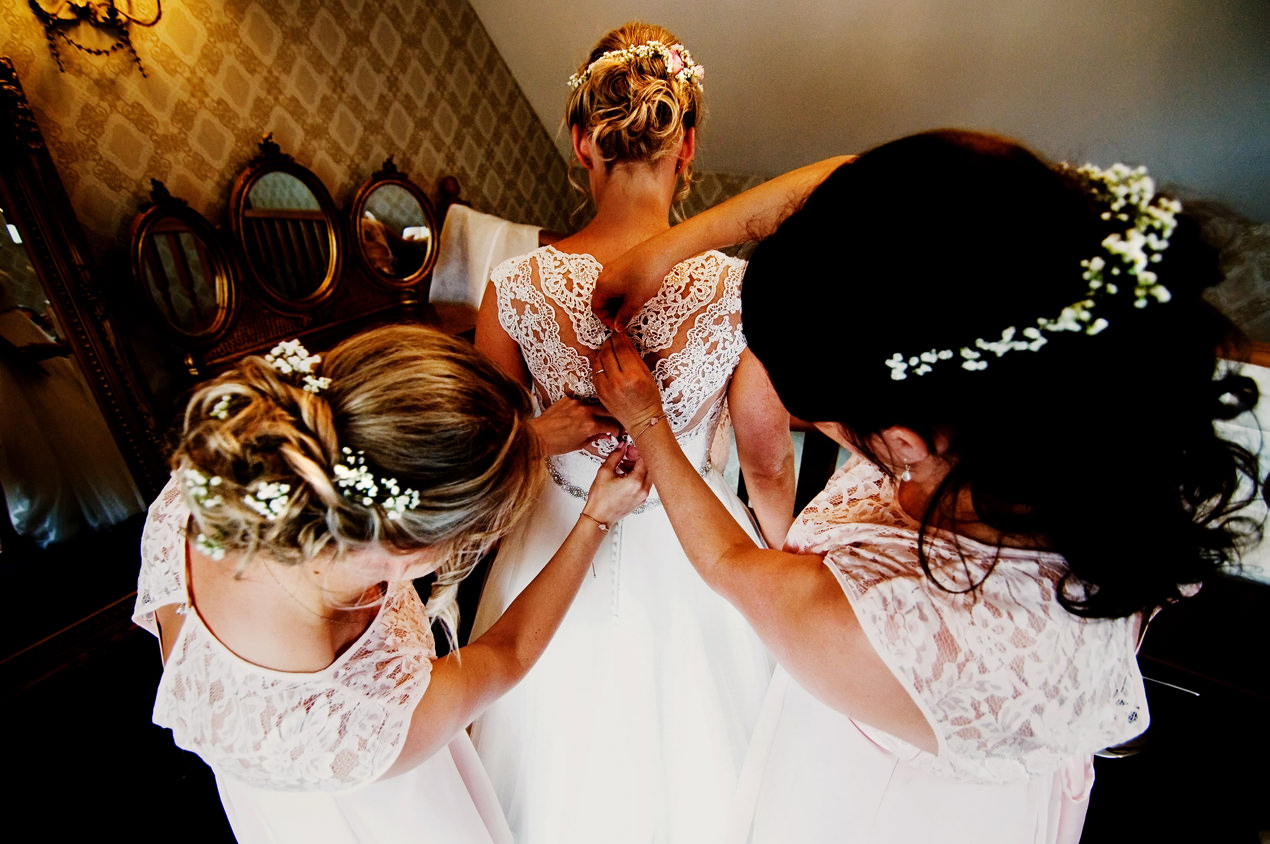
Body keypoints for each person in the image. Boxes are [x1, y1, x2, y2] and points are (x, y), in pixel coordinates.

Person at [592, 130, 1264, 843]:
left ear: (903, 443)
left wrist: (649, 422)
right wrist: (664, 252)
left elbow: (731, 564)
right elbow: (861, 186)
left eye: (826, 422)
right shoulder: (1072, 409)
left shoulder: (884, 630)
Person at [468, 22, 797, 844]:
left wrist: (541, 437)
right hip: (698, 547)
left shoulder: (512, 287)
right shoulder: (740, 290)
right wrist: (790, 565)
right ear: (687, 148)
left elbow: (484, 452)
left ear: (581, 143)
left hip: (551, 540)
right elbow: (765, 458)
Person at [133, 325, 650, 844]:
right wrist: (596, 519)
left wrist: (521, 442)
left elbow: (389, 459)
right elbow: (508, 651)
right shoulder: (361, 718)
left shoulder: (217, 492)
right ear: (411, 553)